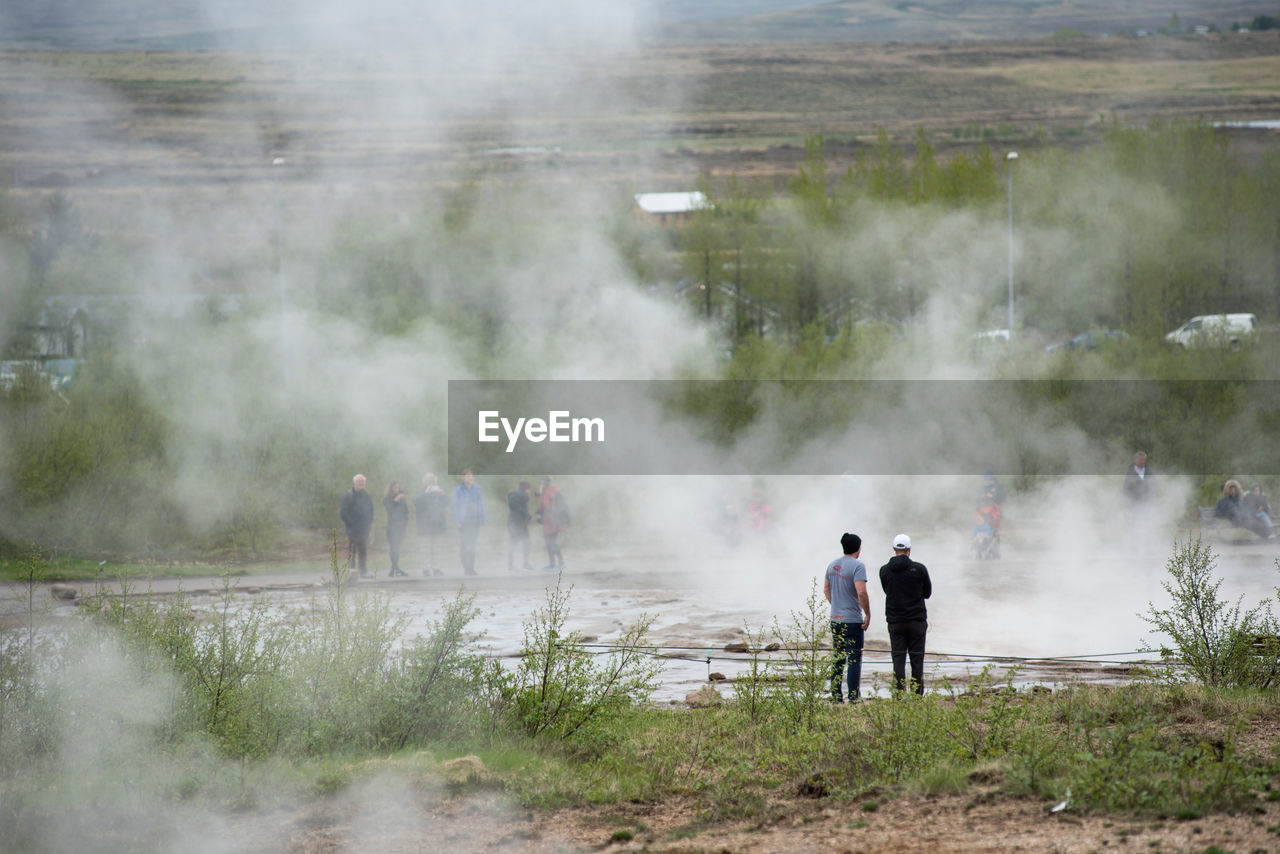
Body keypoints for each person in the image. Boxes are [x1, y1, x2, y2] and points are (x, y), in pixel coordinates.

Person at [879, 533, 932, 695]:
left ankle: (899, 694)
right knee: (917, 659)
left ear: (894, 549)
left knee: (898, 659)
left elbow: (886, 590)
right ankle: (917, 695)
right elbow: (927, 593)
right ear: (909, 549)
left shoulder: (884, 570)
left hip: (895, 621)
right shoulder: (920, 569)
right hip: (917, 621)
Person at [823, 532, 870, 703]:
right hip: (852, 620)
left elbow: (826, 589)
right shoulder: (858, 566)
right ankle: (853, 697)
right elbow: (861, 593)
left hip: (836, 619)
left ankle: (836, 696)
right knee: (854, 659)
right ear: (858, 548)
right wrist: (868, 614)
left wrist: (836, 605)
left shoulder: (832, 564)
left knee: (838, 658)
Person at [339, 474, 375, 578]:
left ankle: (363, 572)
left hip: (364, 528)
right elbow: (343, 513)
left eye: (363, 482)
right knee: (352, 551)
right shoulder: (349, 495)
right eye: (359, 482)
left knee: (363, 550)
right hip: (352, 529)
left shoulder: (367, 495)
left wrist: (369, 523)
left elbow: (371, 510)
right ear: (355, 483)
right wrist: (351, 523)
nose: (361, 484)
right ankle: (351, 573)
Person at [453, 469, 487, 576]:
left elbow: (481, 503)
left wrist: (483, 519)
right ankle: (465, 566)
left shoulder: (477, 488)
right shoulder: (459, 490)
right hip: (464, 521)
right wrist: (457, 521)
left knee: (473, 544)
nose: (470, 478)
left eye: (471, 476)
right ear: (463, 478)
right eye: (467, 476)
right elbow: (455, 506)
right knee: (464, 544)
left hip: (475, 520)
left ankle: (471, 568)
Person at [414, 473, 449, 576]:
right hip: (425, 526)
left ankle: (437, 568)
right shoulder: (422, 491)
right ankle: (426, 569)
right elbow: (415, 502)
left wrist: (443, 494)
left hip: (437, 524)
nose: (431, 482)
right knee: (425, 548)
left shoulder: (438, 491)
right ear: (425, 481)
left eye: (433, 481)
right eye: (429, 480)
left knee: (437, 548)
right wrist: (425, 493)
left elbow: (447, 502)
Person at [537, 475, 566, 571]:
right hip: (555, 520)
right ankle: (555, 563)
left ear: (545, 483)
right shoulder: (555, 490)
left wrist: (540, 515)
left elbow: (544, 505)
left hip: (550, 521)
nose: (541, 484)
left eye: (541, 483)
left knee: (551, 542)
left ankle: (558, 563)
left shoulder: (547, 492)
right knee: (551, 542)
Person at [383, 480, 409, 577]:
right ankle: (394, 568)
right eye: (395, 487)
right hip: (392, 527)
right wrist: (395, 500)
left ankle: (395, 568)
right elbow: (390, 509)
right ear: (391, 488)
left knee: (397, 547)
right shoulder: (387, 499)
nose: (397, 489)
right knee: (393, 547)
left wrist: (405, 521)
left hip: (401, 526)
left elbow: (406, 511)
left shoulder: (403, 499)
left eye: (398, 487)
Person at [507, 480, 535, 571]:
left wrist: (527, 518)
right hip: (514, 524)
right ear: (524, 488)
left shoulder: (523, 496)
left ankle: (525, 563)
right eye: (528, 489)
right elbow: (516, 507)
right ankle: (511, 565)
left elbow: (523, 509)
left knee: (527, 542)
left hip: (522, 524)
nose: (529, 491)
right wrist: (528, 516)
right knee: (513, 544)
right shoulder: (515, 495)